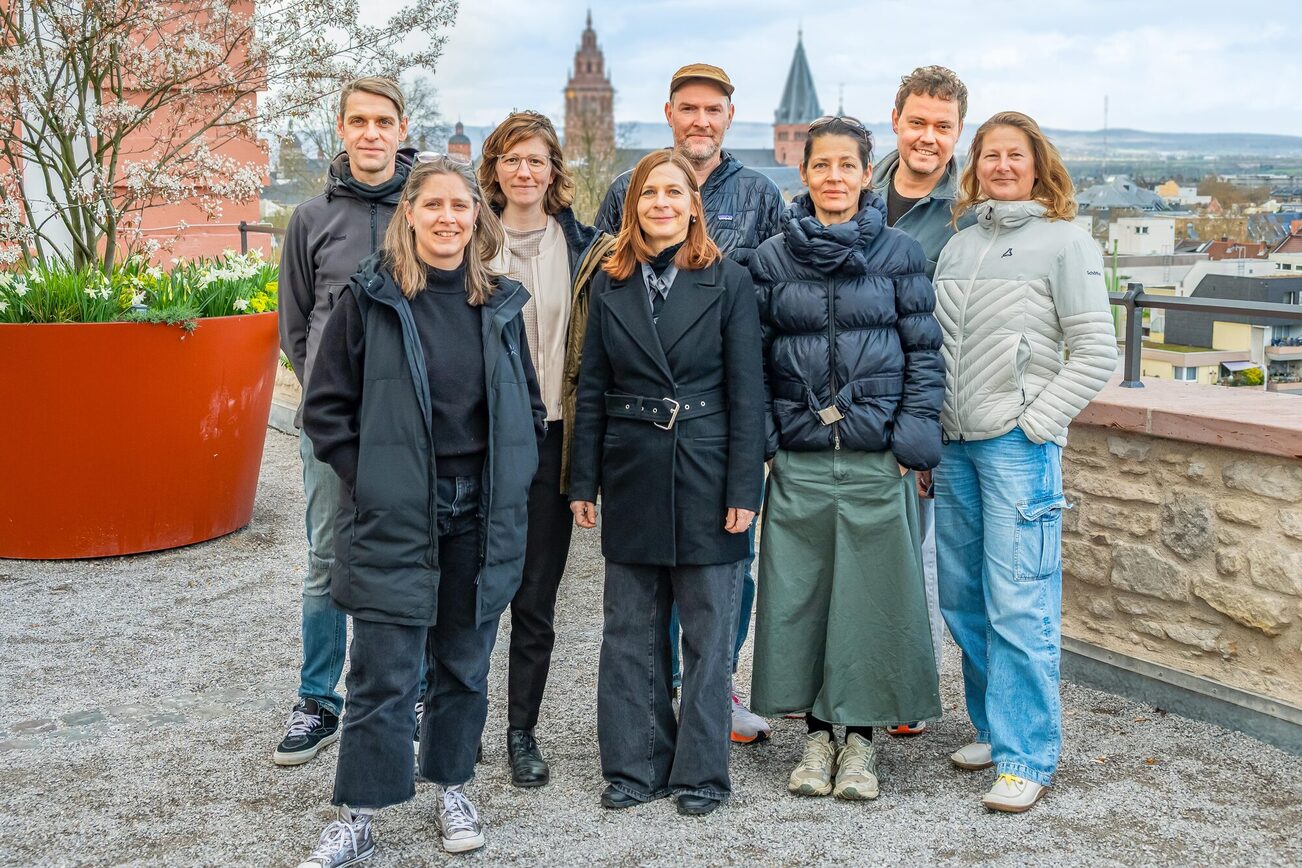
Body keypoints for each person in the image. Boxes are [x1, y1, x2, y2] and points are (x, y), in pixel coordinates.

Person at [295, 154, 544, 864]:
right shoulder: (371, 300)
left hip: (481, 511)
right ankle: (359, 813)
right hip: (397, 511)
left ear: (477, 217)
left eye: (459, 206)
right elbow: (326, 409)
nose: (446, 218)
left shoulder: (499, 304)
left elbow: (526, 405)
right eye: (432, 205)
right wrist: (373, 480)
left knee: (465, 664)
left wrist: (516, 474)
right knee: (384, 669)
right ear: (410, 213)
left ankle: (452, 788)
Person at [749, 116, 944, 801]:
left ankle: (857, 741)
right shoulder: (771, 259)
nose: (835, 177)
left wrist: (910, 443)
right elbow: (753, 361)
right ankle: (814, 737)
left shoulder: (899, 255)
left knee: (872, 601)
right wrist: (768, 444)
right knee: (801, 599)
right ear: (804, 175)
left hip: (872, 458)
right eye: (822, 165)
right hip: (800, 460)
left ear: (868, 175)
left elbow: (924, 353)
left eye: (848, 166)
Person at [569, 150, 765, 817]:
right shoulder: (610, 283)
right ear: (633, 206)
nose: (660, 203)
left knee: (709, 634)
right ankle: (634, 766)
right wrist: (581, 482)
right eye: (649, 192)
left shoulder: (729, 281)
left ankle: (701, 774)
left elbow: (749, 392)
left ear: (692, 204)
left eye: (673, 192)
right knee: (630, 629)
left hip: (709, 470)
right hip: (630, 471)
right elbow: (591, 388)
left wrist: (746, 490)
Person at [932, 111, 1118, 813]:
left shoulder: (1066, 243)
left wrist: (1035, 421)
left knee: (1020, 600)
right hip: (955, 445)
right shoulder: (959, 245)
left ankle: (1027, 754)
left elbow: (1096, 350)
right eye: (989, 156)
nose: (1001, 166)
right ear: (975, 166)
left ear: (1038, 165)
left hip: (1016, 446)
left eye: (1015, 155)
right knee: (962, 598)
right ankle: (992, 726)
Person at [596, 62, 783, 742]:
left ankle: (715, 688)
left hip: (727, 409)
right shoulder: (625, 189)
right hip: (645, 419)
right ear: (669, 113)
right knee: (650, 570)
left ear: (730, 116)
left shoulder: (762, 195)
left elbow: (779, 300)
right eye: (688, 108)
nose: (700, 120)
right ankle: (659, 695)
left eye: (713, 109)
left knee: (728, 568)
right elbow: (604, 291)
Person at [275, 76, 413, 767]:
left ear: (402, 128)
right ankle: (317, 700)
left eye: (382, 121)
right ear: (341, 129)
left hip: (413, 423)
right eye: (357, 120)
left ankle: (400, 694)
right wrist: (327, 397)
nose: (370, 133)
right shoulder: (310, 218)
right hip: (333, 425)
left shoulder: (429, 210)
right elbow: (295, 325)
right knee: (327, 558)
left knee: (409, 556)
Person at [477, 111, 614, 788]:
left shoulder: (585, 247)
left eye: (536, 160)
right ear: (494, 169)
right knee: (466, 591)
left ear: (554, 170)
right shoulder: (467, 240)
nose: (524, 171)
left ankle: (520, 731)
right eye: (512, 159)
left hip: (555, 441)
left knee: (535, 599)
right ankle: (456, 720)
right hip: (481, 442)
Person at [868, 64, 971, 739]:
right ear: (897, 120)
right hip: (847, 411)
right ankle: (840, 683)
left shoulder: (968, 209)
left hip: (914, 415)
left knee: (907, 565)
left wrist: (927, 428)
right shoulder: (857, 189)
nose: (927, 137)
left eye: (942, 126)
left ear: (957, 131)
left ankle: (901, 694)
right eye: (917, 122)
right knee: (843, 556)